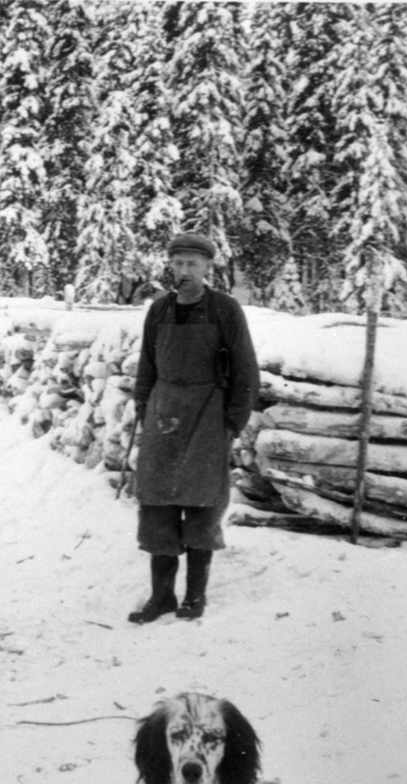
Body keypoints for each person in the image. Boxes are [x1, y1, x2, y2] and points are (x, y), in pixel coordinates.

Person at [128, 233, 259, 623]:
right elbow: (147, 365)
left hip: (207, 414)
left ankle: (194, 597)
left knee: (202, 505)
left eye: (193, 264)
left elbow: (246, 370)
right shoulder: (159, 310)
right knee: (156, 503)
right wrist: (143, 406)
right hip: (163, 413)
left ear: (207, 269)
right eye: (179, 263)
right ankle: (162, 597)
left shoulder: (225, 309)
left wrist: (232, 421)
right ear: (170, 266)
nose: (185, 271)